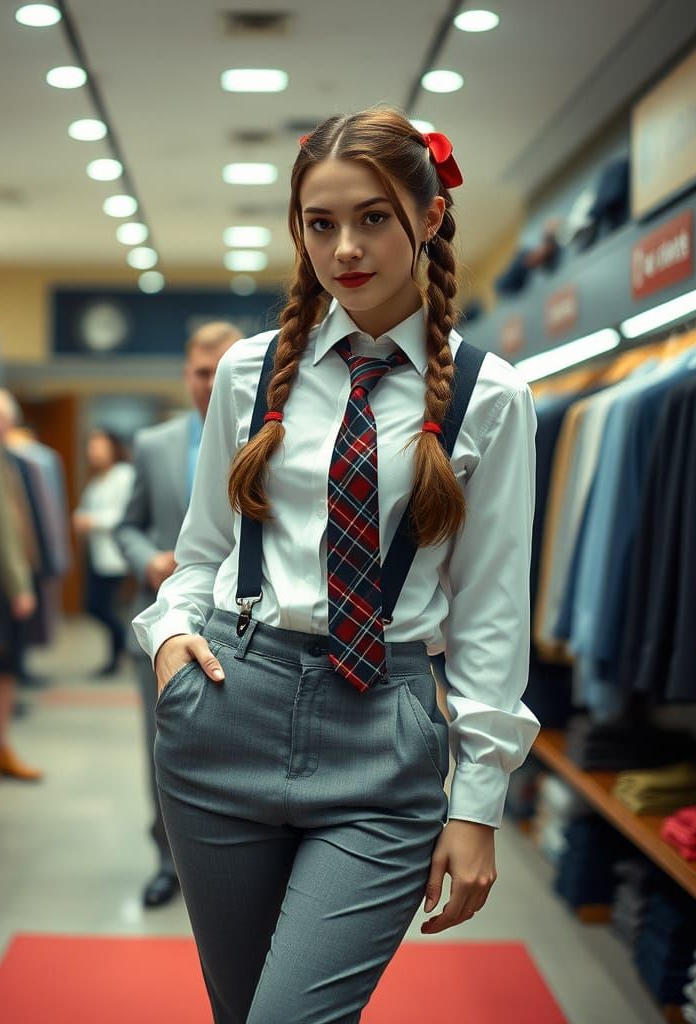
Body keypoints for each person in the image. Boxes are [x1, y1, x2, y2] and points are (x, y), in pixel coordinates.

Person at [133, 107, 541, 1022]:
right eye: (320, 223)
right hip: (227, 711)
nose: (344, 248)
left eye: (374, 218)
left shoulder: (493, 396)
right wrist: (168, 645)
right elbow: (198, 555)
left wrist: (476, 804)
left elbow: (490, 614)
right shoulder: (248, 372)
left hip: (384, 735)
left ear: (429, 218)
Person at [116, 321, 244, 909]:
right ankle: (169, 859)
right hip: (168, 619)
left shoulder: (273, 435)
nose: (211, 383)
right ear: (186, 375)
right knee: (163, 743)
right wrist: (148, 561)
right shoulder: (154, 445)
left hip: (245, 627)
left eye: (222, 371)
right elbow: (127, 525)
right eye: (200, 372)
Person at [0, 388, 43, 782]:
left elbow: (20, 528)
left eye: (0, 418)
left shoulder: (14, 463)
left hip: (12, 582)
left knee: (6, 668)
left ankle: (0, 746)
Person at [72, 428, 135, 676]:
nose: (92, 451)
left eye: (97, 445)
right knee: (98, 605)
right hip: (97, 553)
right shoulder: (97, 479)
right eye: (90, 446)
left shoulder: (124, 475)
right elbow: (83, 509)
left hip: (115, 555)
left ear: (113, 447)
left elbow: (124, 514)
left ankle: (121, 647)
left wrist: (92, 521)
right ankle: (116, 653)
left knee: (100, 606)